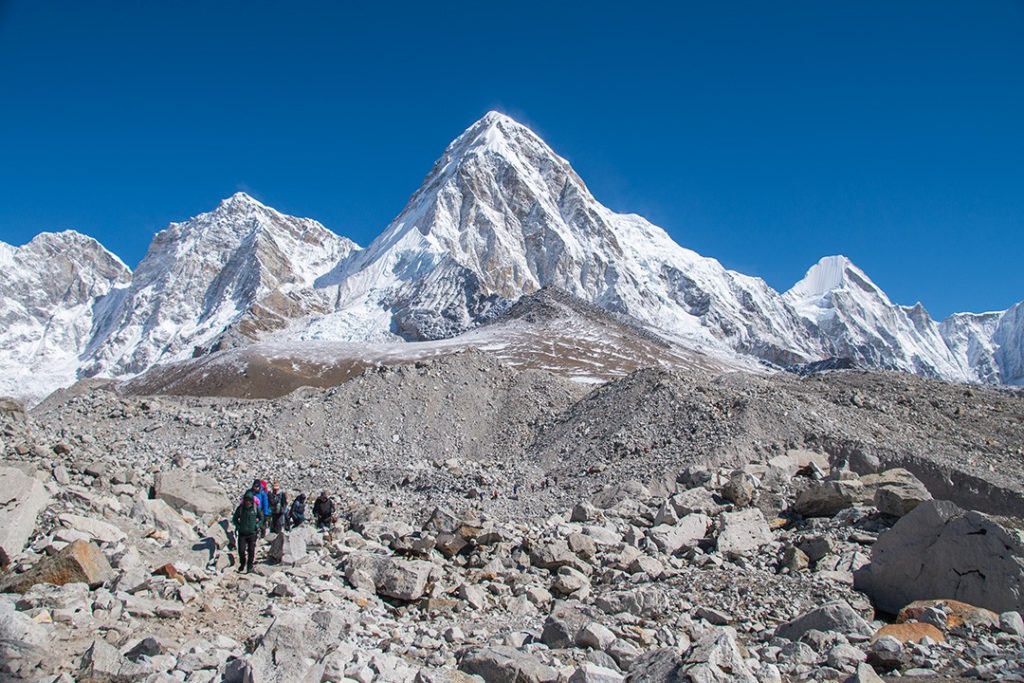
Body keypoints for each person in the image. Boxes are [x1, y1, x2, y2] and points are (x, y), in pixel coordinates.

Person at [231, 495, 263, 573]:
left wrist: (257, 525)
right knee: (241, 550)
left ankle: (249, 566)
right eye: (246, 500)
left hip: (252, 533)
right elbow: (234, 519)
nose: (247, 502)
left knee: (251, 550)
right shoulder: (240, 509)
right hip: (242, 533)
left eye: (249, 500)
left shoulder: (255, 509)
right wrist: (238, 526)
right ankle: (242, 563)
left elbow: (261, 518)